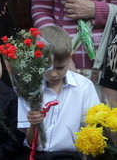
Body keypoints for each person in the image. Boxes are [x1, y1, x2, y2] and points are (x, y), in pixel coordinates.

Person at [18, 26, 100, 159]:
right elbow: (30, 142)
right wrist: (34, 124)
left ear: (70, 57)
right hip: (36, 154)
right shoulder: (29, 88)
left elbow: (92, 128)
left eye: (60, 67)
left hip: (71, 156)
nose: (53, 74)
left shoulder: (84, 86)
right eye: (47, 67)